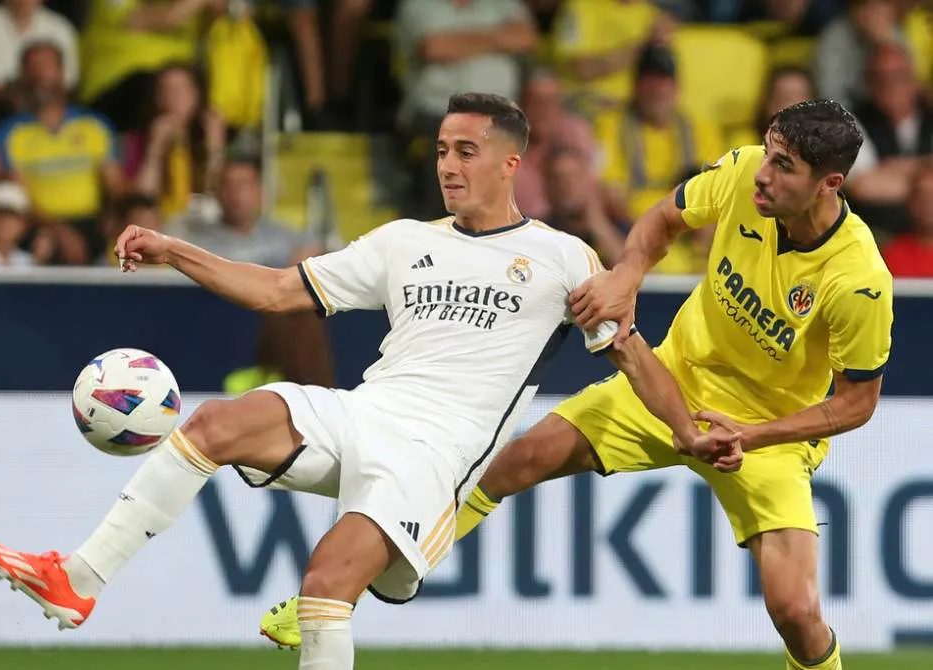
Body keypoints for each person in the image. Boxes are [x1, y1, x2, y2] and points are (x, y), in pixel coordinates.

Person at [0, 93, 739, 670]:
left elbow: (634, 354)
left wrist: (682, 428)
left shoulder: (564, 257)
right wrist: (178, 250)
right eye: (443, 149)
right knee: (212, 425)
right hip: (364, 412)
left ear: (512, 164)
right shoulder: (403, 242)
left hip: (434, 458)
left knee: (323, 588)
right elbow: (278, 290)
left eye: (468, 151)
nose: (448, 165)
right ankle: (78, 577)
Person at [260, 100, 894, 670]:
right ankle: (334, 591)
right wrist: (627, 275)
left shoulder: (858, 279)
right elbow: (663, 221)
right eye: (769, 152)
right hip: (670, 380)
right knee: (507, 465)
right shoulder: (742, 173)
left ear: (828, 184)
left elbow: (856, 403)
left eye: (783, 166)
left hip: (766, 439)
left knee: (796, 614)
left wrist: (754, 435)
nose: (763, 172)